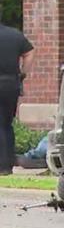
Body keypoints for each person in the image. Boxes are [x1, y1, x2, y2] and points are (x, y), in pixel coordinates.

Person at [0, 21, 33, 175]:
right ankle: (8, 164)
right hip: (11, 84)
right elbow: (29, 52)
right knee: (7, 124)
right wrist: (23, 73)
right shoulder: (15, 34)